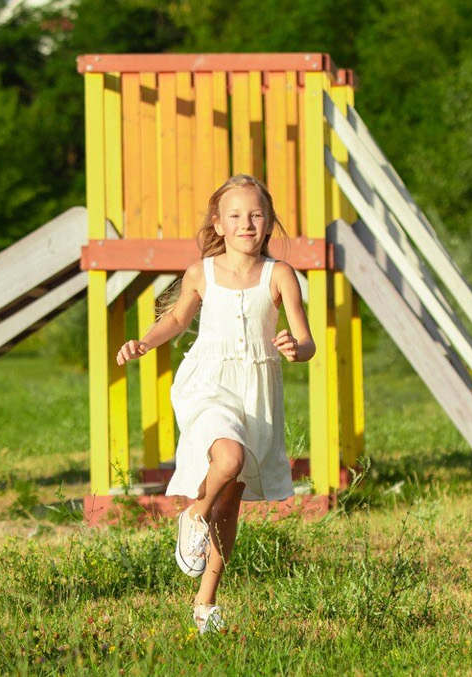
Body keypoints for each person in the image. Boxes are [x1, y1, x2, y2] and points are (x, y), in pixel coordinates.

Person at [117, 175, 315, 634]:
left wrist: (294, 347)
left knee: (232, 500)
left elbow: (306, 341)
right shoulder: (201, 272)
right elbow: (176, 318)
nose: (246, 224)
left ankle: (205, 604)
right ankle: (193, 514)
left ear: (268, 222)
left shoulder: (280, 275)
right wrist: (144, 343)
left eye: (255, 215)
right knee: (228, 457)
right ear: (218, 224)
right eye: (235, 216)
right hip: (208, 383)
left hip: (256, 393)